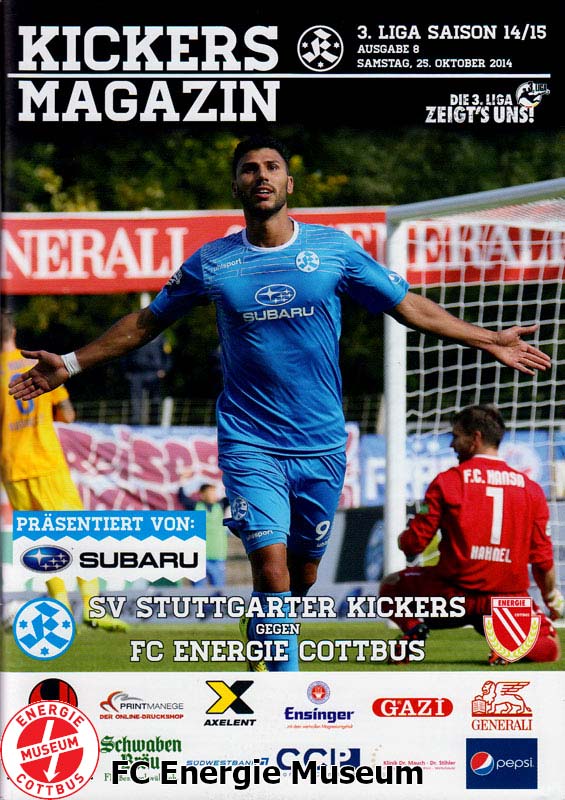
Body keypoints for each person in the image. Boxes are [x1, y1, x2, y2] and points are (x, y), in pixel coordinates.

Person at [8, 134, 552, 672]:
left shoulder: (334, 251)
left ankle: (266, 629)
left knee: (302, 575)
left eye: (271, 167)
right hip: (250, 441)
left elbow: (407, 305)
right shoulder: (213, 262)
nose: (261, 176)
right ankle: (284, 691)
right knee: (271, 567)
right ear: (236, 185)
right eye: (249, 168)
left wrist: (489, 338)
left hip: (321, 443)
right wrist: (71, 363)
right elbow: (147, 323)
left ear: (289, 183)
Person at [379, 404, 563, 664]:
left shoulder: (447, 481)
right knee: (550, 647)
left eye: (456, 436)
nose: (452, 444)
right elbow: (542, 561)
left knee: (391, 585)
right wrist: (551, 598)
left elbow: (415, 543)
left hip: (450, 597)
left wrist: (404, 540)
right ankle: (508, 648)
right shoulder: (531, 490)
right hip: (504, 602)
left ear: (475, 438)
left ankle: (413, 630)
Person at [1, 312, 127, 632]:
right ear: (13, 331)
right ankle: (93, 607)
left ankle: (59, 606)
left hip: (12, 468)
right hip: (45, 461)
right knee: (78, 532)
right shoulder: (34, 364)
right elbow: (67, 415)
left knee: (40, 541)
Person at [178, 481, 230, 587]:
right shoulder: (195, 506)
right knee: (198, 590)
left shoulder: (221, 505)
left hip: (217, 554)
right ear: (202, 494)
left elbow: (233, 495)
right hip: (199, 556)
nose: (213, 495)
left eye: (214, 492)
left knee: (219, 589)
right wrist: (182, 481)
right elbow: (182, 498)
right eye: (210, 492)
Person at [122, 332, 171, 425]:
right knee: (135, 400)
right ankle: (135, 424)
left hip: (154, 373)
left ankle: (155, 424)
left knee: (155, 400)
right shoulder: (134, 335)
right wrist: (126, 371)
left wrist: (164, 370)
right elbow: (126, 354)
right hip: (136, 373)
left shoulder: (161, 337)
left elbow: (167, 356)